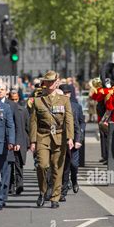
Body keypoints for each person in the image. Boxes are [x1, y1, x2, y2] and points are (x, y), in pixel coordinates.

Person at [29, 71, 74, 208]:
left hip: (60, 137)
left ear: (57, 82)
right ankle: (42, 192)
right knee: (42, 165)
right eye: (47, 82)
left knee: (57, 167)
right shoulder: (38, 100)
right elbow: (33, 122)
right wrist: (33, 141)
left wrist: (70, 137)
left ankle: (55, 197)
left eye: (51, 82)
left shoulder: (64, 100)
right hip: (43, 136)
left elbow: (69, 119)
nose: (49, 84)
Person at [59, 84, 85, 201]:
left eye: (68, 93)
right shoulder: (57, 106)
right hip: (61, 140)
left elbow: (80, 123)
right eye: (64, 93)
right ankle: (63, 188)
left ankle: (74, 180)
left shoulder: (76, 106)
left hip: (74, 140)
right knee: (63, 165)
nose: (66, 95)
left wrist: (79, 140)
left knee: (74, 164)